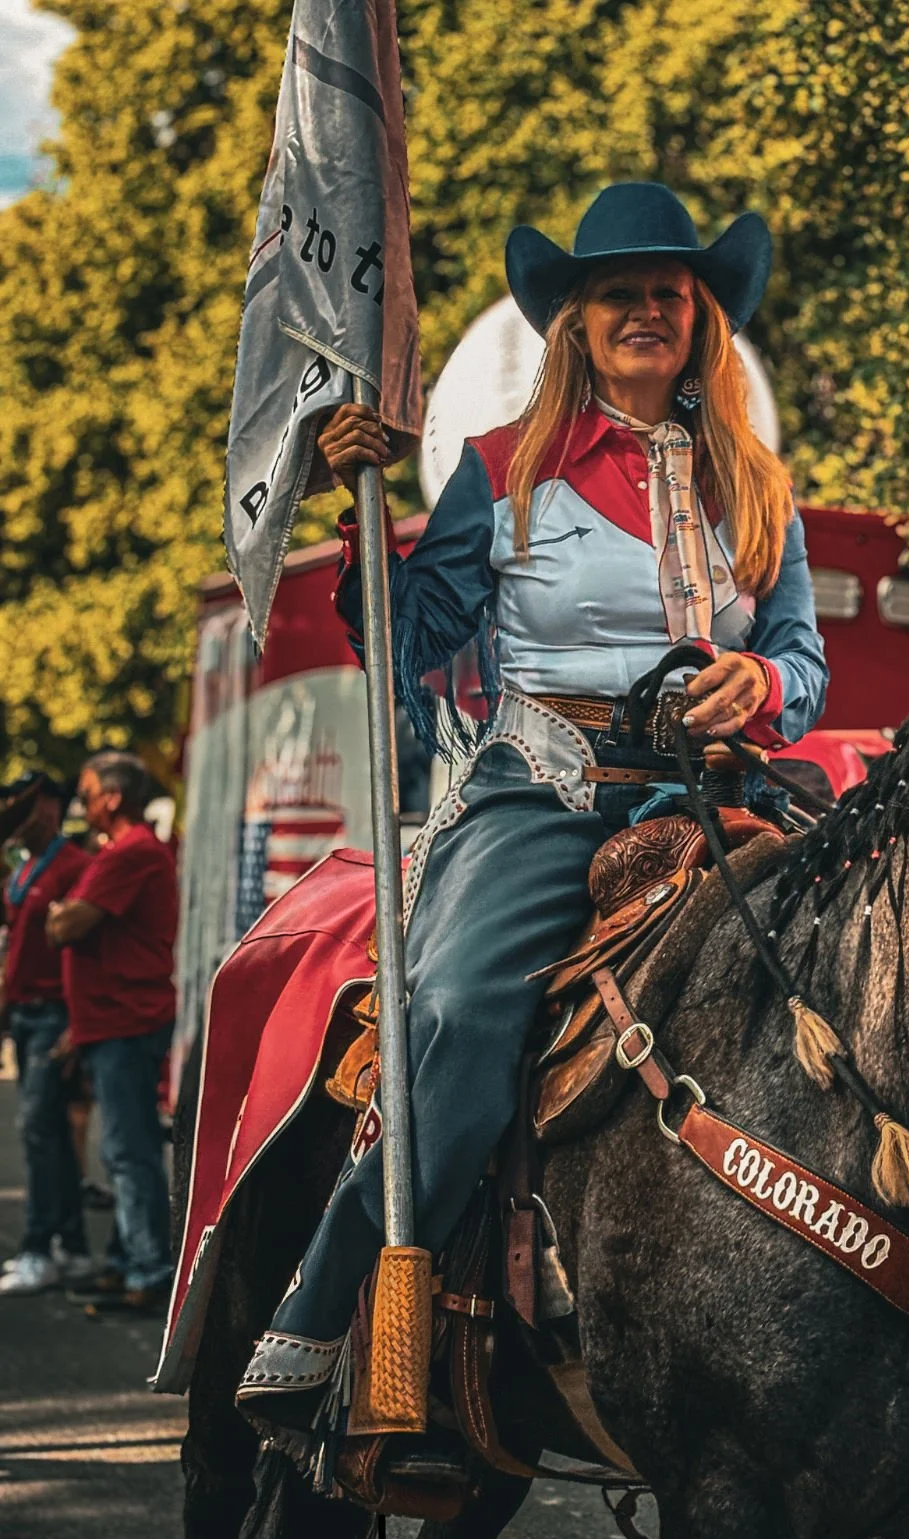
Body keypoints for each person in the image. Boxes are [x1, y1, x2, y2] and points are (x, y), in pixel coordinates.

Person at [237, 183, 828, 1457]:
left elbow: (801, 661)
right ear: (575, 320)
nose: (647, 310)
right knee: (453, 1008)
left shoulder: (758, 482)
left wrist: (766, 684)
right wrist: (363, 525)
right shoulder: (500, 469)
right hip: (545, 791)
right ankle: (334, 1303)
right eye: (619, 292)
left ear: (700, 318)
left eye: (671, 291)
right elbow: (421, 630)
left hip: (720, 799)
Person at [46, 751, 178, 1314]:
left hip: (127, 1021)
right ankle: (131, 1261)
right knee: (129, 1148)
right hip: (114, 1020)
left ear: (114, 797)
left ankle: (148, 1271)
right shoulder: (128, 853)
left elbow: (66, 926)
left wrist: (61, 912)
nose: (83, 802)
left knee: (128, 1152)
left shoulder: (130, 854)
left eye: (88, 791)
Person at [0, 775, 93, 1296]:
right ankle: (72, 1246)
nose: (11, 811)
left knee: (39, 1129)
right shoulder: (26, 866)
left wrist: (78, 1023)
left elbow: (81, 952)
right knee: (50, 1132)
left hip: (55, 1013)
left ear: (50, 807)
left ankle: (38, 1247)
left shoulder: (72, 866)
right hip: (26, 1013)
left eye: (21, 804)